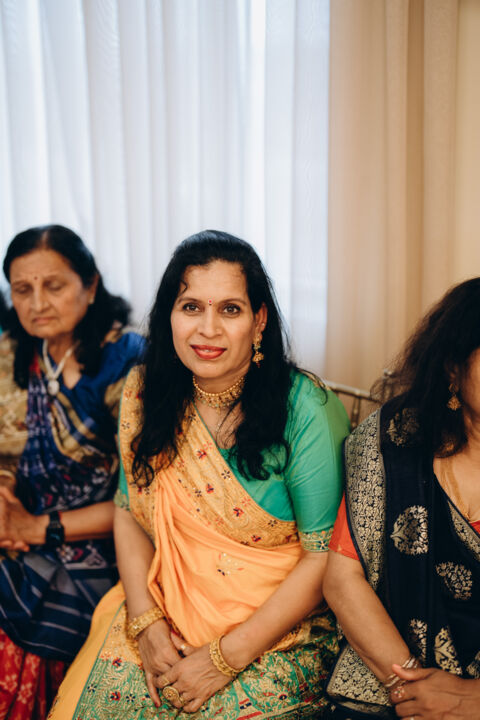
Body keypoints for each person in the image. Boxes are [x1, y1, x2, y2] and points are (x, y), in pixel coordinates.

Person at [49, 229, 350, 720]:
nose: (207, 329)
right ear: (169, 316)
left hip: (276, 633)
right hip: (161, 606)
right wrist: (146, 623)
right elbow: (128, 512)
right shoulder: (143, 392)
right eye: (191, 307)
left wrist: (224, 658)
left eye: (230, 309)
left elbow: (325, 558)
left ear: (258, 321)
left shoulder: (307, 410)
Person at [0, 225, 144, 719]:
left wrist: (36, 528)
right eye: (23, 289)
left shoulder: (128, 363)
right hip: (22, 525)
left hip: (107, 547)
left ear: (91, 284)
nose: (37, 303)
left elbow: (142, 500)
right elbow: (7, 455)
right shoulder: (14, 352)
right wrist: (5, 505)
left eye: (54, 285)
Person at [324, 278, 480, 719]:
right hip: (392, 677)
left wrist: (470, 701)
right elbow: (343, 579)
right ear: (452, 368)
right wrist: (411, 689)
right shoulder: (394, 441)